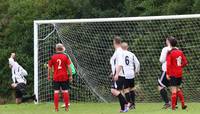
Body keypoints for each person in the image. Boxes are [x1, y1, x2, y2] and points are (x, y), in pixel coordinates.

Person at [48, 43, 73, 112]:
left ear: (56, 49)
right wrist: (70, 75)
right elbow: (69, 67)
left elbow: (49, 68)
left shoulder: (52, 57)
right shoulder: (65, 56)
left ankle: (56, 109)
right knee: (65, 91)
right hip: (64, 76)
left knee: (56, 92)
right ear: (62, 49)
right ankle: (67, 108)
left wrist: (49, 75)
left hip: (56, 77)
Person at [166, 37, 188, 110]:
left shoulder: (170, 53)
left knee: (174, 90)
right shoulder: (180, 52)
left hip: (173, 73)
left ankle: (173, 107)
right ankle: (183, 104)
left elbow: (168, 64)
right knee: (178, 89)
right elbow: (185, 62)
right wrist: (180, 66)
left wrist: (167, 73)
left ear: (170, 44)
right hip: (179, 73)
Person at [110, 36, 128, 113]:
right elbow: (115, 63)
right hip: (118, 73)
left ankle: (126, 104)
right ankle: (123, 109)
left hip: (119, 74)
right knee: (119, 91)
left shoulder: (119, 51)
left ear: (114, 42)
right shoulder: (117, 51)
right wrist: (113, 72)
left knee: (113, 90)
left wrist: (116, 74)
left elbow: (120, 64)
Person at [121, 42, 140, 109]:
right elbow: (137, 63)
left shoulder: (120, 55)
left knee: (126, 90)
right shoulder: (131, 54)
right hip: (131, 74)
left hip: (124, 74)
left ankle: (130, 104)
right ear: (127, 47)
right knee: (132, 88)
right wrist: (136, 71)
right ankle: (133, 104)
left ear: (121, 47)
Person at [158, 38, 172, 109]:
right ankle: (175, 103)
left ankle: (167, 103)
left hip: (166, 70)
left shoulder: (165, 49)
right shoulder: (177, 49)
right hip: (175, 70)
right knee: (173, 87)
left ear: (168, 42)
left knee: (160, 86)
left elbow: (161, 60)